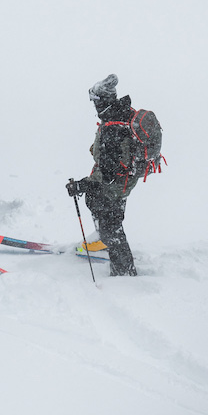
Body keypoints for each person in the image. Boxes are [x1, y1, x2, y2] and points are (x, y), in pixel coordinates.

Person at [66, 74, 138, 277]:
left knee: (111, 226)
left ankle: (124, 272)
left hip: (115, 185)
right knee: (112, 220)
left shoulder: (113, 127)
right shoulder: (121, 115)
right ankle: (109, 245)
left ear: (105, 101)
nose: (94, 106)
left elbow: (106, 175)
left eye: (96, 101)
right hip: (124, 182)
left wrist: (82, 185)